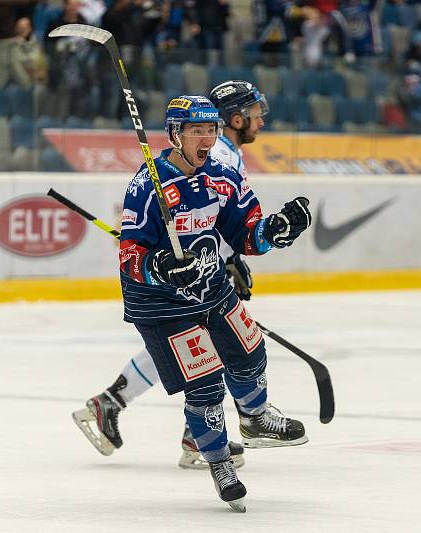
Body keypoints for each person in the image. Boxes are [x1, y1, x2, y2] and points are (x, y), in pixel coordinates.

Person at [118, 95, 309, 511]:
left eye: (212, 130)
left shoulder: (221, 176)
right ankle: (220, 463)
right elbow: (129, 254)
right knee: (204, 387)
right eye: (197, 131)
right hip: (162, 304)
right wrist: (160, 266)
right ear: (176, 134)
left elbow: (245, 232)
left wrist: (274, 231)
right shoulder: (148, 187)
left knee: (250, 350)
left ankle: (255, 417)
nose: (207, 138)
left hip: (210, 284)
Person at [72, 82, 273, 471]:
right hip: (198, 272)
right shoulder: (220, 158)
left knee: (196, 345)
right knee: (197, 346)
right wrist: (208, 260)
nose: (261, 119)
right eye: (255, 111)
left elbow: (221, 217)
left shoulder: (222, 155)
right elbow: (205, 219)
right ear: (236, 116)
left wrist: (228, 258)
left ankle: (113, 404)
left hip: (206, 268)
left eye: (209, 129)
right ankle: (193, 437)